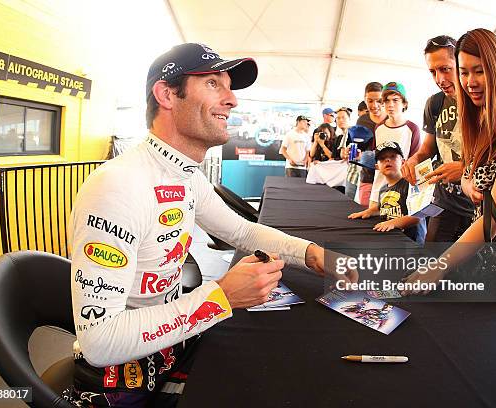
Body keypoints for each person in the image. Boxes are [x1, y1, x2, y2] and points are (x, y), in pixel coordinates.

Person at [66, 43, 353, 407]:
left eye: (229, 86)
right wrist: (221, 296)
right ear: (167, 94)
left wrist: (311, 254)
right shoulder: (117, 186)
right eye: (214, 84)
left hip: (173, 347)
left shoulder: (184, 173)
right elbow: (100, 341)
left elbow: (242, 231)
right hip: (121, 378)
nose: (232, 100)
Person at [402, 28, 496, 325]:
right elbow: (472, 174)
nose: (469, 82)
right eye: (464, 72)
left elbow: (492, 219)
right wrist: (469, 182)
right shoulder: (484, 118)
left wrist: (439, 266)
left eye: (479, 71)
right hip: (488, 255)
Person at [401, 35, 474, 243]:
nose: (439, 79)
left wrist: (465, 168)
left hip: (477, 203)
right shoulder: (434, 104)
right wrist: (415, 160)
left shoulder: (478, 100)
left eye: (445, 69)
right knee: (433, 264)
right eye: (433, 72)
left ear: (459, 63)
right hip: (444, 201)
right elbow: (427, 149)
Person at [347, 142, 425, 244]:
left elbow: (418, 216)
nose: (387, 160)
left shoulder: (411, 184)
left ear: (403, 161)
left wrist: (393, 223)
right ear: (377, 166)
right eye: (382, 158)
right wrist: (368, 211)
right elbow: (381, 207)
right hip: (392, 241)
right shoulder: (383, 189)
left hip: (410, 243)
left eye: (393, 156)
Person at [369, 82, 421, 205]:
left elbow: (416, 162)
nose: (390, 105)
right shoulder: (379, 128)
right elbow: (376, 158)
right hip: (378, 190)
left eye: (395, 100)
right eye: (386, 101)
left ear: (404, 103)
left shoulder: (412, 128)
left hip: (402, 192)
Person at [355, 82, 386, 205]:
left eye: (379, 101)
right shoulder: (362, 120)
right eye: (370, 101)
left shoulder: (392, 119)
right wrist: (354, 153)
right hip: (367, 177)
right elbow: (359, 148)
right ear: (364, 100)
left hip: (388, 180)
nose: (375, 105)